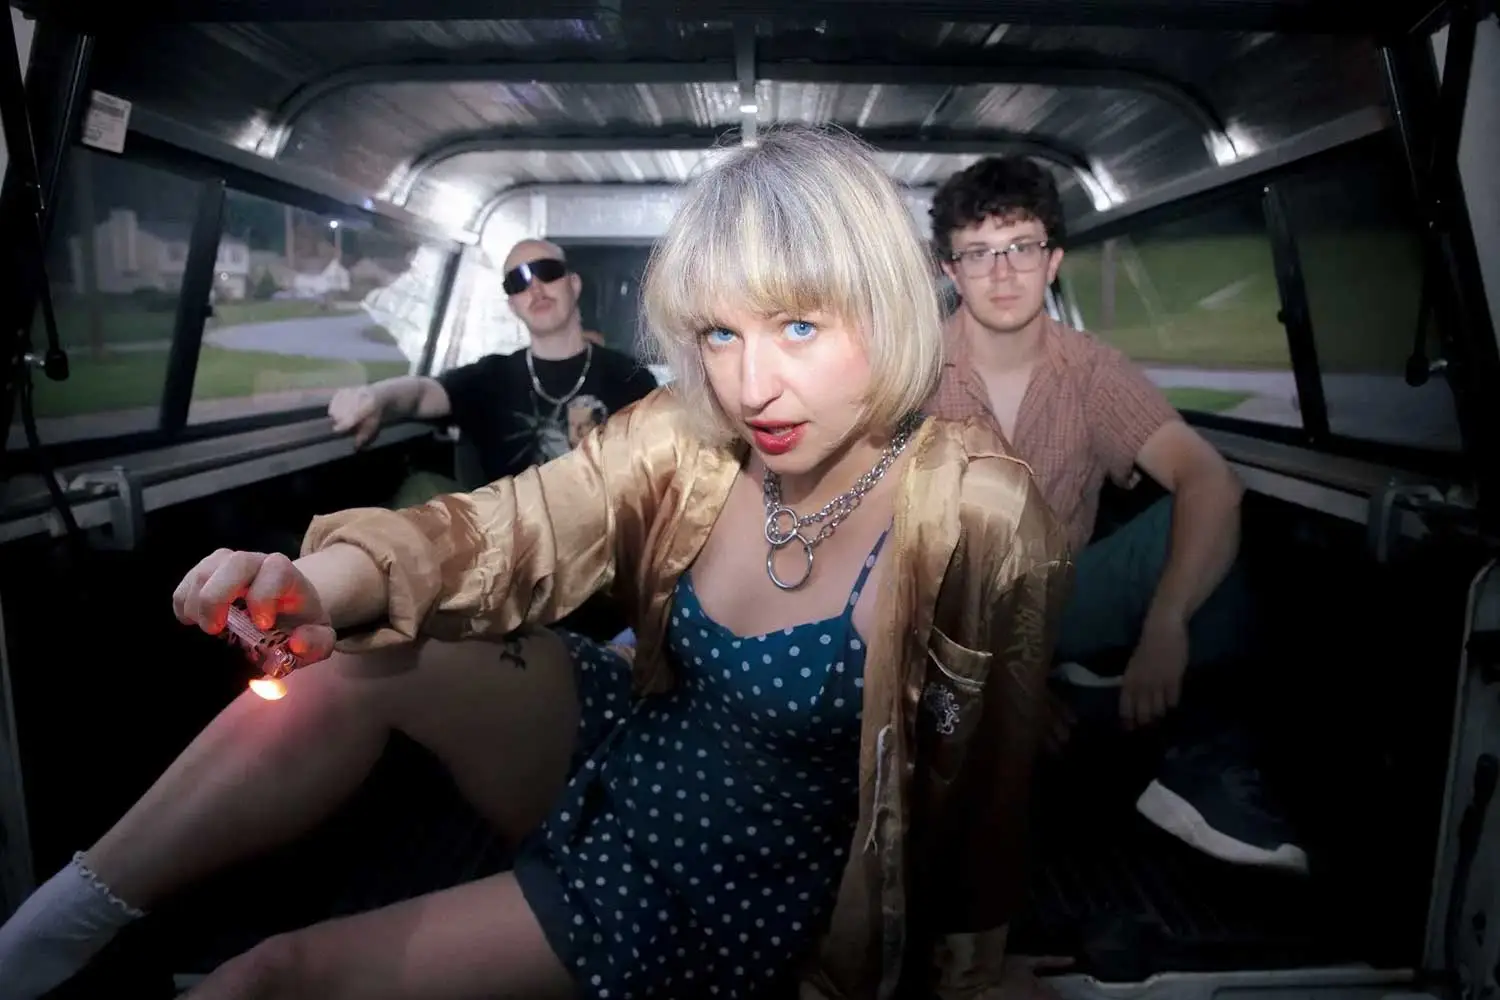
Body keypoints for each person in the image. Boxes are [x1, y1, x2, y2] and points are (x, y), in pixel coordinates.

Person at [0, 126, 1071, 1000]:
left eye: (798, 325)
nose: (752, 387)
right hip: (627, 726)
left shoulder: (978, 510)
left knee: (264, 977)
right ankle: (46, 933)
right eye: (720, 334)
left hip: (721, 869)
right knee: (350, 662)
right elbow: (511, 527)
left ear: (886, 311)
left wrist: (965, 970)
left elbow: (992, 771)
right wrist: (315, 584)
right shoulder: (687, 435)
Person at [924, 156, 1307, 873]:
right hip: (943, 621)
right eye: (979, 254)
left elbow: (1207, 480)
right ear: (951, 272)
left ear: (1054, 260)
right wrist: (1011, 686)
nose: (1002, 273)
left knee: (1203, 511)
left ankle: (1203, 767)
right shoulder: (912, 377)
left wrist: (1166, 624)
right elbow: (884, 554)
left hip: (1063, 597)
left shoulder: (1092, 371)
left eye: (1022, 248)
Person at [326, 238, 659, 486]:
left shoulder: (630, 379)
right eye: (519, 282)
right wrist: (377, 398)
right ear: (512, 304)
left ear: (573, 284)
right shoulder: (489, 378)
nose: (536, 288)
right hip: (509, 563)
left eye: (547, 272)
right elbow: (421, 393)